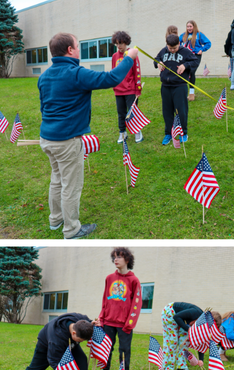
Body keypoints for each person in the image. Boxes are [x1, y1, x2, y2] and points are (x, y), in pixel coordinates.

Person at [39, 33, 138, 240]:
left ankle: (55, 220)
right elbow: (111, 79)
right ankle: (71, 229)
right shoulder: (76, 73)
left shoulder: (44, 76)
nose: (79, 50)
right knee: (71, 186)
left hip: (47, 139)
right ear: (70, 50)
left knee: (57, 179)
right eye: (77, 46)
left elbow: (43, 107)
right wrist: (129, 58)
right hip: (66, 141)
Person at [16, 314, 95, 370]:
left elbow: (87, 321)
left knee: (82, 360)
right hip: (45, 345)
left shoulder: (79, 320)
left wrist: (92, 322)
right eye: (80, 340)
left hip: (69, 343)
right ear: (74, 333)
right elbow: (53, 360)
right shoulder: (57, 339)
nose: (82, 342)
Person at [96, 247, 141, 370]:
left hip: (124, 324)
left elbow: (137, 303)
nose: (115, 259)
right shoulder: (109, 278)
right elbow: (105, 300)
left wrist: (129, 323)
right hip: (108, 322)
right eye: (114, 257)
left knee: (124, 350)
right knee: (107, 348)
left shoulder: (134, 280)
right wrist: (101, 318)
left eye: (119, 257)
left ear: (127, 259)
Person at [154, 34, 198, 146]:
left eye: (175, 48)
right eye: (170, 48)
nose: (172, 50)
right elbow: (156, 59)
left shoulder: (185, 51)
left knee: (181, 110)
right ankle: (168, 133)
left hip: (179, 85)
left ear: (179, 44)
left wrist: (186, 65)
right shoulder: (164, 51)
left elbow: (195, 61)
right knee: (167, 111)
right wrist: (158, 63)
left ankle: (183, 132)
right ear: (167, 45)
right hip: (165, 86)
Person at [110, 31, 143, 144]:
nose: (119, 46)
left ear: (126, 43)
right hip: (118, 90)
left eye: (121, 43)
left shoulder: (132, 54)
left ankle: (137, 131)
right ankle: (122, 132)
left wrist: (138, 88)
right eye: (117, 44)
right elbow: (113, 71)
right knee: (121, 113)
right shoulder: (114, 56)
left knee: (132, 111)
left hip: (130, 90)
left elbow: (137, 72)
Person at [161, 302, 210, 370]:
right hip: (170, 312)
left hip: (181, 317)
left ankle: (181, 366)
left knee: (185, 341)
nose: (191, 325)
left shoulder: (201, 327)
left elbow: (200, 342)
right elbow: (176, 317)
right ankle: (167, 367)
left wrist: (201, 360)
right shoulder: (195, 313)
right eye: (192, 324)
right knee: (173, 340)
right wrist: (187, 328)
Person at [180, 20, 212, 101]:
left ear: (194, 26)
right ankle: (183, 92)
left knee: (191, 72)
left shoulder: (199, 34)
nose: (189, 28)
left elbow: (208, 43)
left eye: (190, 26)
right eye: (187, 26)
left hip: (195, 56)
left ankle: (191, 94)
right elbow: (177, 43)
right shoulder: (183, 35)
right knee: (185, 73)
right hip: (186, 57)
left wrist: (202, 50)